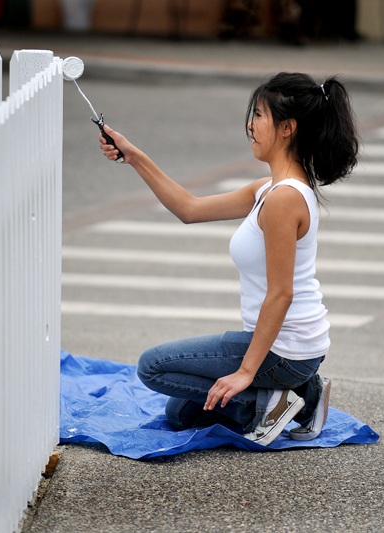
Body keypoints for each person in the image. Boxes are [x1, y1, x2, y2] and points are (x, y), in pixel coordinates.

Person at [99, 72, 359, 446]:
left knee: (152, 367)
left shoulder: (284, 199)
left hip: (285, 350)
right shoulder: (267, 189)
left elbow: (281, 293)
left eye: (258, 116)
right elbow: (188, 209)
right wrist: (134, 156)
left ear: (287, 128)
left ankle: (282, 400)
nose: (250, 126)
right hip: (281, 345)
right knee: (180, 413)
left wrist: (246, 371)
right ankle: (303, 392)